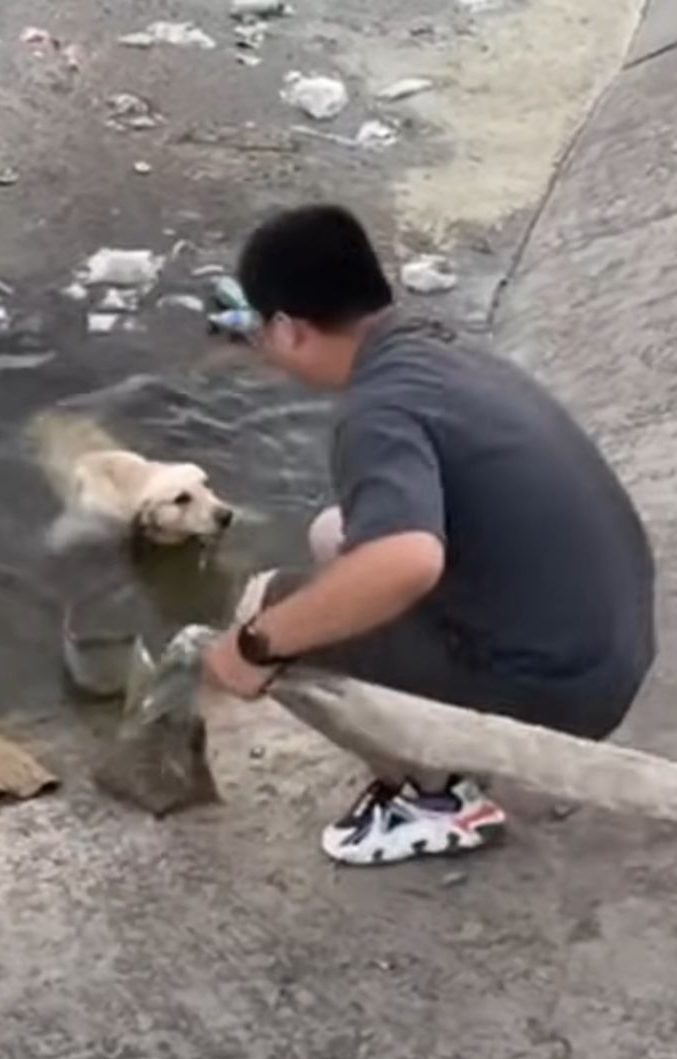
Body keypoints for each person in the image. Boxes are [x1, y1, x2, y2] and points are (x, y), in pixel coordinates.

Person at [203, 204, 656, 866]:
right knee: (334, 532)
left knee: (271, 607)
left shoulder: (375, 411)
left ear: (288, 329)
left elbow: (406, 561)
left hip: (557, 687)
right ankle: (440, 749)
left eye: (260, 335)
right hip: (607, 647)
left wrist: (252, 647)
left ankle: (434, 801)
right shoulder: (436, 351)